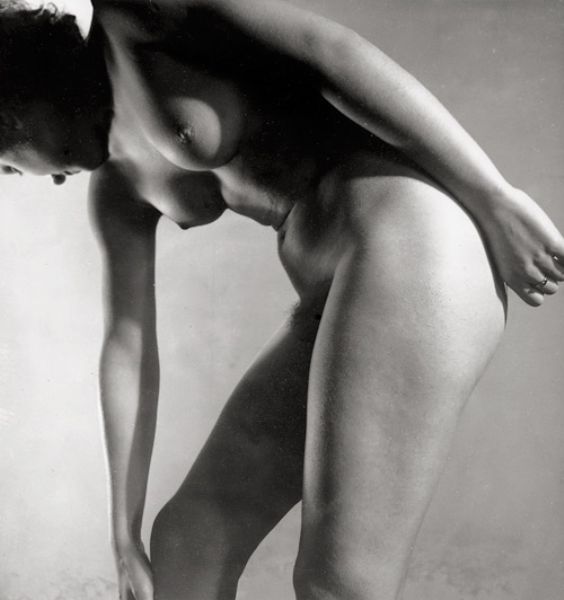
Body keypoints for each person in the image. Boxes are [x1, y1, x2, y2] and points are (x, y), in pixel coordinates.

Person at [1, 1, 563, 599]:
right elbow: (128, 346)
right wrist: (123, 533)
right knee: (189, 538)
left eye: (6, 168)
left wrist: (494, 196)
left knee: (338, 584)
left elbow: (331, 52)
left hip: (410, 242)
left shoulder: (132, 19)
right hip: (334, 297)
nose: (40, 179)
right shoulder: (115, 190)